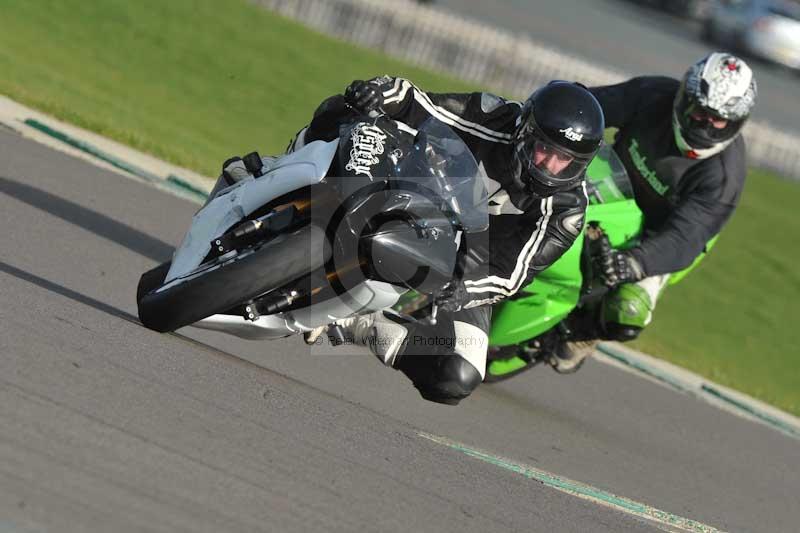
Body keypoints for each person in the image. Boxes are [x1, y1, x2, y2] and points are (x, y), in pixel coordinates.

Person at [295, 76, 605, 404]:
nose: (551, 166)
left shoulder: (566, 211)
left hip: (462, 266)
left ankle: (356, 322)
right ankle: (271, 171)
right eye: (545, 149)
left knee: (458, 373)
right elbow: (415, 101)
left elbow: (510, 273)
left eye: (565, 159)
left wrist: (460, 289)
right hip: (413, 195)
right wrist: (377, 93)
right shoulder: (493, 117)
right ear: (525, 131)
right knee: (346, 109)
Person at [549, 52, 757, 373]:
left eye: (718, 120)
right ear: (683, 97)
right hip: (606, 185)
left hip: (659, 235)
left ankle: (584, 333)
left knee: (629, 311)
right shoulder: (653, 95)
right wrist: (552, 113)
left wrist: (635, 263)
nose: (704, 124)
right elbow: (590, 106)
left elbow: (684, 237)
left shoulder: (723, 176)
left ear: (736, 122)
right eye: (699, 112)